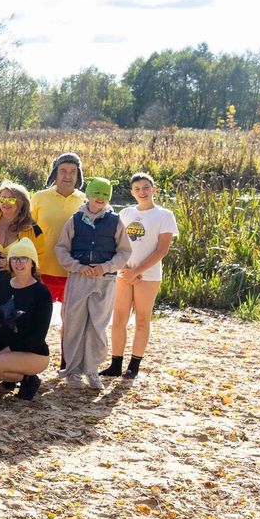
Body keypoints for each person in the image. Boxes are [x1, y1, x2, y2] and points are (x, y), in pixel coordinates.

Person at [54, 177, 132, 389]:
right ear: (88, 194)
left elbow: (125, 251)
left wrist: (106, 267)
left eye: (105, 195)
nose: (100, 198)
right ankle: (72, 371)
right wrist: (77, 266)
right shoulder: (75, 220)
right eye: (96, 193)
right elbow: (61, 248)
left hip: (104, 280)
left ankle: (92, 370)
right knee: (73, 324)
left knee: (98, 326)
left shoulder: (115, 221)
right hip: (79, 277)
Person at [102, 172, 177, 380]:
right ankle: (115, 364)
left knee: (142, 319)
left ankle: (133, 366)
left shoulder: (164, 215)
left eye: (145, 188)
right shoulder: (125, 213)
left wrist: (137, 272)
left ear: (154, 189)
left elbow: (162, 250)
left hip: (148, 276)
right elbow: (117, 243)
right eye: (137, 189)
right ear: (132, 192)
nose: (142, 192)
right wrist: (126, 269)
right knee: (119, 318)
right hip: (123, 273)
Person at [0, 239, 53, 400]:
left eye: (24, 258)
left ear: (32, 262)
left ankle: (28, 379)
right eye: (14, 258)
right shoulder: (3, 285)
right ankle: (10, 376)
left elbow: (38, 336)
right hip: (3, 352)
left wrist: (7, 351)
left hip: (33, 353)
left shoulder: (41, 292)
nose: (18, 263)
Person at [32, 153, 86, 309]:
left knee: (70, 322)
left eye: (73, 171)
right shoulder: (39, 198)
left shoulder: (86, 201)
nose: (68, 176)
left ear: (78, 175)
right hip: (42, 270)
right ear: (55, 173)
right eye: (63, 170)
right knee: (40, 319)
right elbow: (26, 232)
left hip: (73, 271)